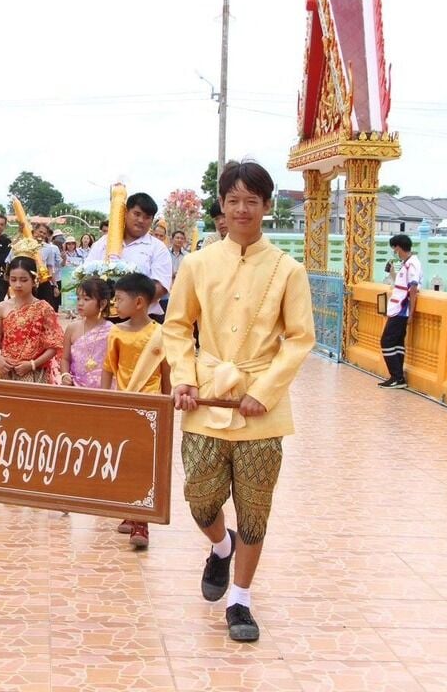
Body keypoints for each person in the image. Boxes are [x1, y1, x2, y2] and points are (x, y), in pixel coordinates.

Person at [164, 160, 315, 642]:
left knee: (254, 510)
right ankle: (220, 548)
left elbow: (299, 339)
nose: (243, 209)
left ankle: (241, 601)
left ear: (267, 207)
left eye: (253, 200)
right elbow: (176, 327)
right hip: (207, 399)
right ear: (222, 209)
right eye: (234, 200)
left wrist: (263, 391)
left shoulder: (288, 271)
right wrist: (184, 378)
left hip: (260, 410)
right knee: (200, 501)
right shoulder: (197, 264)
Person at [101, 272, 171, 549]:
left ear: (139, 302)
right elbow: (109, 368)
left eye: (119, 299)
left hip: (151, 405)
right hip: (123, 403)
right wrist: (106, 400)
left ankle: (141, 521)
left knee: (144, 464)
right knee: (125, 460)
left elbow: (166, 373)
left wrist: (168, 403)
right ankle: (128, 510)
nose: (115, 304)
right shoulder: (116, 332)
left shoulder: (158, 334)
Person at [86, 193, 173, 324]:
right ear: (126, 213)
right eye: (137, 214)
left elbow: (161, 286)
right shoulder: (103, 243)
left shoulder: (158, 248)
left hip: (142, 320)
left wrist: (130, 303)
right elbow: (87, 276)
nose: (141, 220)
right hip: (104, 318)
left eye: (147, 217)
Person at [0, 256, 64, 384]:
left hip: (36, 374)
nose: (18, 285)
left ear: (34, 280)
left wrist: (32, 364)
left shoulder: (44, 308)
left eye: (24, 280)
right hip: (8, 372)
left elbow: (54, 346)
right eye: (13, 280)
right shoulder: (1, 307)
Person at [379, 233, 422, 390]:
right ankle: (397, 377)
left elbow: (413, 288)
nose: (394, 252)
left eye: (394, 249)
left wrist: (411, 313)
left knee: (386, 341)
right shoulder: (406, 264)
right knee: (396, 343)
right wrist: (392, 274)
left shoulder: (412, 264)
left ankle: (397, 376)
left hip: (402, 310)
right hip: (397, 308)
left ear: (398, 247)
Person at [60, 277, 113, 389]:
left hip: (104, 389)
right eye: (78, 298)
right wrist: (65, 375)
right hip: (76, 387)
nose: (80, 303)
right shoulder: (72, 328)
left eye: (86, 299)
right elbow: (65, 358)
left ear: (102, 303)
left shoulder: (112, 331)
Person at [32, 223, 64, 312]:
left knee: (46, 309)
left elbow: (50, 267)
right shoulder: (25, 244)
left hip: (43, 281)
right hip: (28, 281)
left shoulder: (48, 248)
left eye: (44, 233)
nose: (42, 234)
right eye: (40, 232)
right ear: (34, 231)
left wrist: (54, 285)